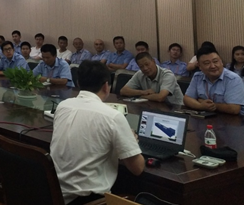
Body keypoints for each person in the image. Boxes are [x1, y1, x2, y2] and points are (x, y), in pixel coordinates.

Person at [51, 60, 144, 204]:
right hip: (87, 200)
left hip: (55, 193)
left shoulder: (63, 106)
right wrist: (131, 141)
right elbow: (138, 168)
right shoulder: (113, 116)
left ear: (78, 83)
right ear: (106, 86)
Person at [183, 45, 244, 115]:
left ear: (221, 62)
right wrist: (201, 106)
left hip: (232, 119)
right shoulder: (198, 77)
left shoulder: (233, 79)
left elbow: (234, 109)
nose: (213, 66)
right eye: (207, 63)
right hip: (207, 117)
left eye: (215, 61)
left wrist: (212, 105)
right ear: (199, 66)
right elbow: (187, 99)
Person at [120, 53, 184, 105]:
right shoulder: (140, 74)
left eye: (147, 64)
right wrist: (143, 92)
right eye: (141, 66)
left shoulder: (167, 75)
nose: (145, 68)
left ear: (153, 61)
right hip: (154, 106)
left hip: (176, 108)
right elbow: (123, 91)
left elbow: (161, 97)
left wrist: (141, 96)